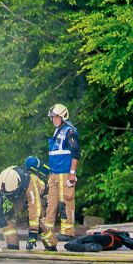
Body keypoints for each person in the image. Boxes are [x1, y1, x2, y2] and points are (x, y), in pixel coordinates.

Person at [46, 103, 80, 240]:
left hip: (65, 173)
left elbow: (76, 153)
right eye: (52, 117)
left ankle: (67, 232)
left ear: (63, 117)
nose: (53, 119)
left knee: (66, 201)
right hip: (54, 173)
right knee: (51, 202)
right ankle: (47, 230)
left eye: (56, 117)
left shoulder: (69, 132)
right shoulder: (57, 131)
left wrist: (72, 173)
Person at [0, 165, 27, 250]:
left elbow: (34, 209)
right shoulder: (2, 178)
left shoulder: (28, 183)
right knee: (4, 217)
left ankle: (50, 244)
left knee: (38, 220)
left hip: (25, 197)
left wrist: (33, 234)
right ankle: (12, 243)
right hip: (12, 195)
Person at [24, 155, 53, 249]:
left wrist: (32, 235)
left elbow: (35, 206)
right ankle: (51, 245)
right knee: (41, 225)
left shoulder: (30, 179)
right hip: (38, 207)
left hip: (39, 207)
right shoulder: (34, 179)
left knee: (40, 224)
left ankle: (51, 245)